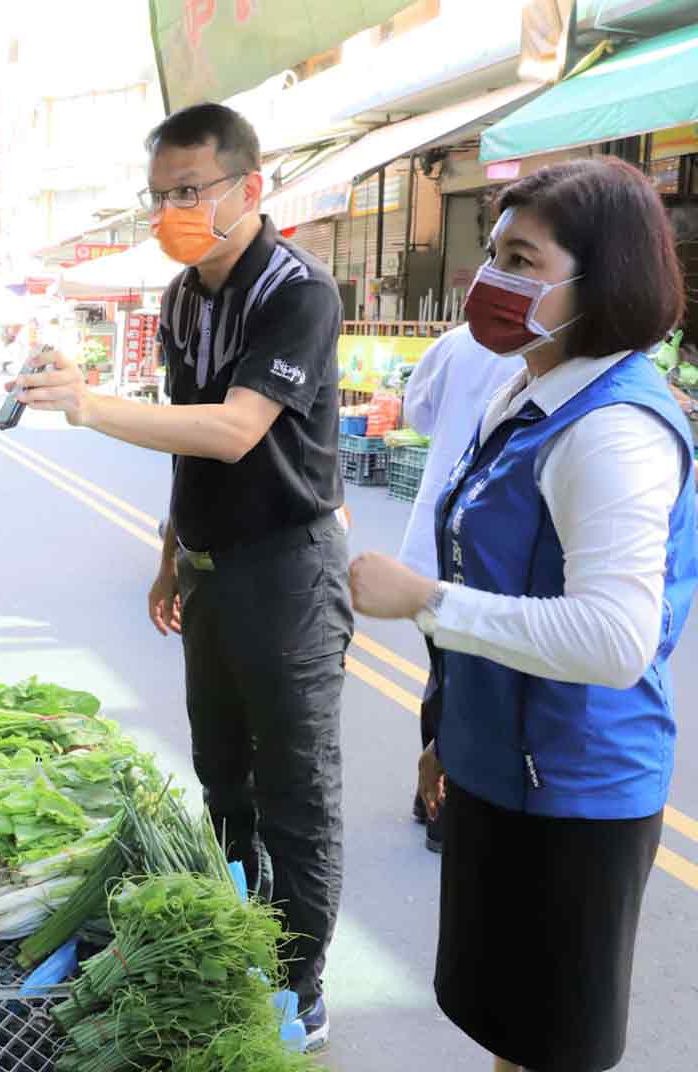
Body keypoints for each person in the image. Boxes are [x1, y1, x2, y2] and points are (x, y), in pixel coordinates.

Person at [14, 102, 349, 1052]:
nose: (172, 210)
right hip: (211, 571)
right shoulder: (181, 298)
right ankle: (244, 938)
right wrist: (170, 553)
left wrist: (86, 403)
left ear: (250, 186)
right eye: (159, 196)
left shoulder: (297, 292)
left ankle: (300, 984)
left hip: (288, 572)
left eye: (190, 191)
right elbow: (192, 447)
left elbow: (236, 429)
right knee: (221, 777)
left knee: (296, 791)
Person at [348, 158, 694, 1072]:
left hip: (573, 790)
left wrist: (425, 600)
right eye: (494, 253)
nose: (491, 279)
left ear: (603, 277)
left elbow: (615, 641)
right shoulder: (530, 384)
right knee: (507, 1027)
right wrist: (455, 731)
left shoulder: (613, 429)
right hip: (503, 765)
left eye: (523, 259)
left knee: (550, 1045)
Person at [394, 322, 512, 851]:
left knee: (444, 677)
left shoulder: (457, 340)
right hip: (483, 550)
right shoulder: (550, 351)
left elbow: (415, 413)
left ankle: (432, 801)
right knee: (469, 684)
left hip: (433, 541)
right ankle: (447, 809)